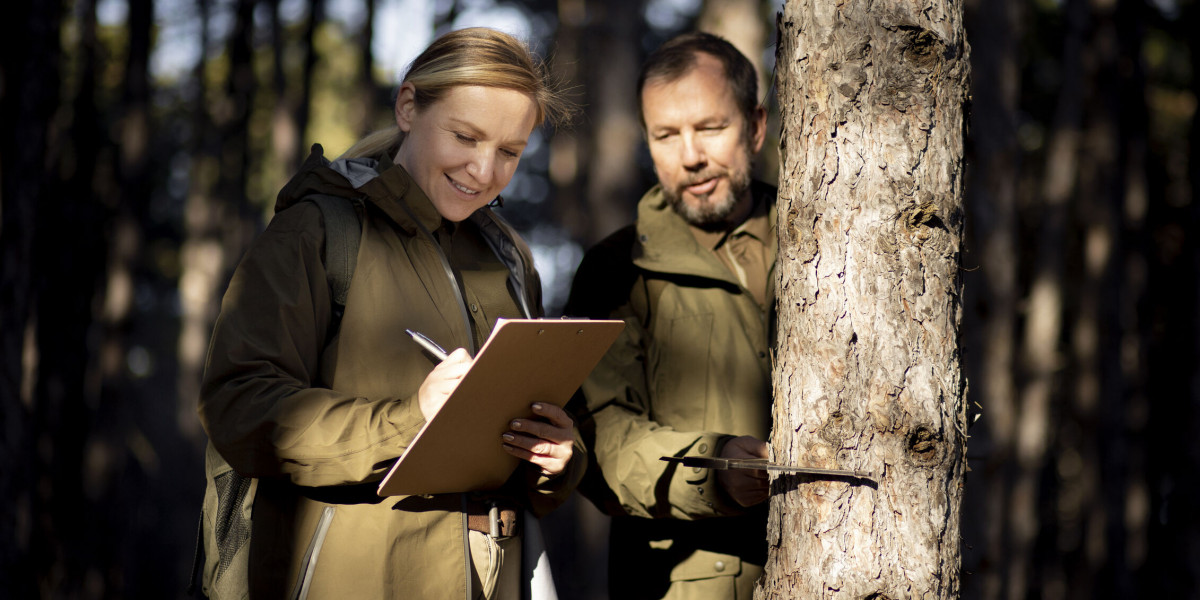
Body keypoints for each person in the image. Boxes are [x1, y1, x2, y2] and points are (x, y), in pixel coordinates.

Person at [197, 27, 582, 600]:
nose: (483, 170)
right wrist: (410, 419)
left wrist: (556, 460)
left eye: (509, 152)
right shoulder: (316, 231)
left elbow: (526, 457)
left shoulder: (510, 257)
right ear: (408, 106)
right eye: (465, 136)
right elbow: (237, 404)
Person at [565, 32, 774, 600]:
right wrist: (716, 470)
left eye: (710, 128)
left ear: (755, 126)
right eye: (666, 135)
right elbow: (600, 440)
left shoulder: (829, 238)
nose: (690, 156)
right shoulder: (614, 269)